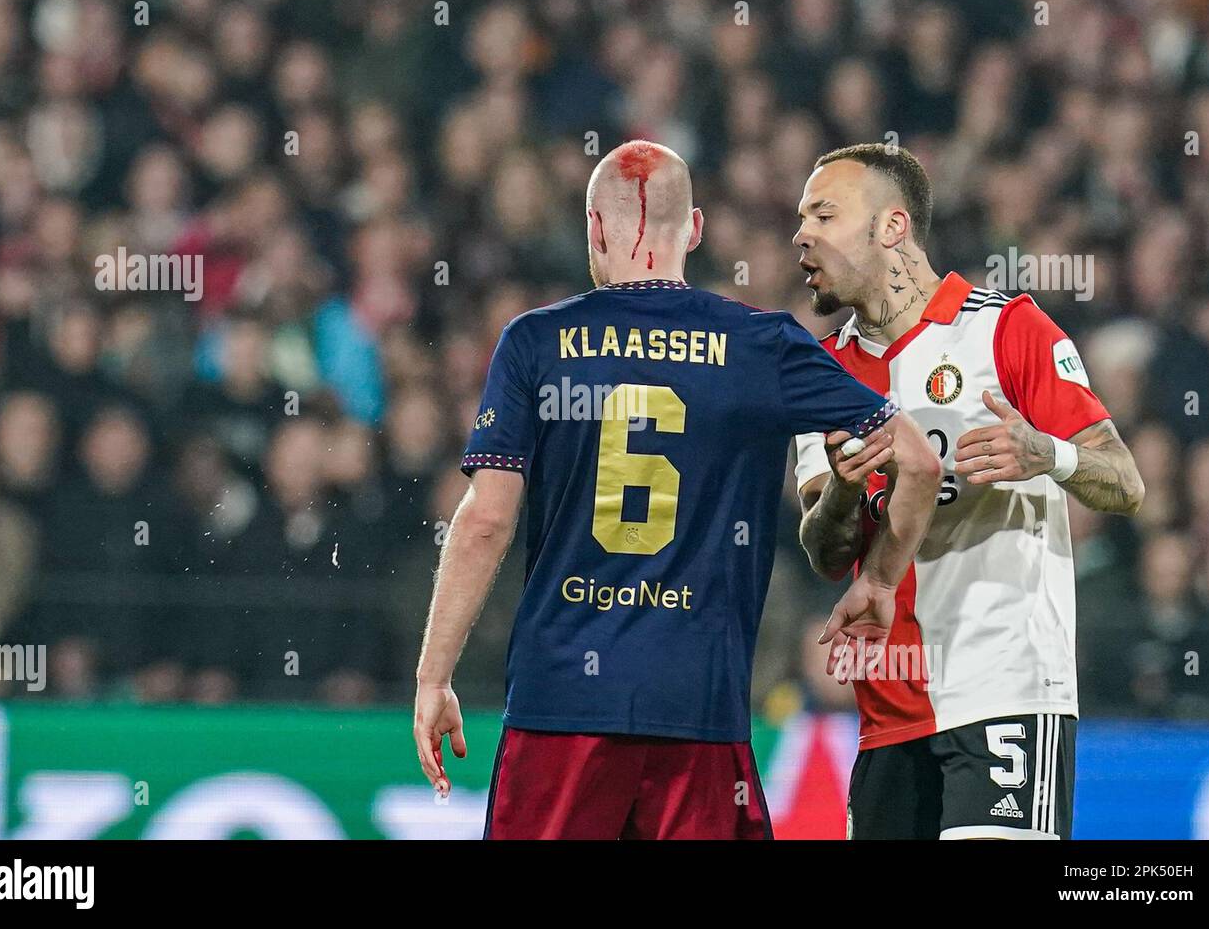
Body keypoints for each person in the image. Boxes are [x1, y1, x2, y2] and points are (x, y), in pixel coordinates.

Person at [413, 140, 941, 839]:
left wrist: (433, 677)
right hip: (700, 711)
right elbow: (918, 458)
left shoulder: (536, 343)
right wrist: (877, 577)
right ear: (692, 230)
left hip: (560, 706)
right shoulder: (761, 345)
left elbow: (484, 523)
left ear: (595, 230)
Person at [792, 143, 1145, 839]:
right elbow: (825, 551)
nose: (801, 234)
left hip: (1005, 691)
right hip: (887, 715)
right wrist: (840, 489)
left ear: (891, 228)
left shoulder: (1004, 328)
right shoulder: (821, 372)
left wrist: (1048, 453)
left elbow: (1124, 482)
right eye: (801, 218)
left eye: (824, 214)